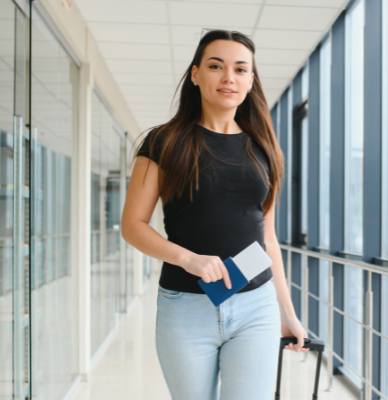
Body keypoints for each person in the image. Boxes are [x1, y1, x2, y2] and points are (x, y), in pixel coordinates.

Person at [121, 29, 308, 400]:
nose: (229, 78)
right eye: (216, 66)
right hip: (185, 307)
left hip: (256, 304)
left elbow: (267, 239)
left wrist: (286, 311)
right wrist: (188, 259)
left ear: (251, 80)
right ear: (195, 74)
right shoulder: (164, 142)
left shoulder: (265, 149)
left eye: (240, 69)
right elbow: (132, 225)